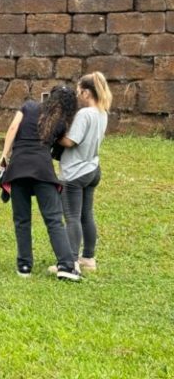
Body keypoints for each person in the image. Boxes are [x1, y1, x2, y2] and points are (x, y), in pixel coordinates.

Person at [0, 85, 80, 281]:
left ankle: (24, 265)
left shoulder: (28, 107)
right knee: (53, 220)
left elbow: (12, 128)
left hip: (17, 169)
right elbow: (63, 144)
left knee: (22, 220)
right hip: (42, 171)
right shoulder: (60, 122)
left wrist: (3, 156)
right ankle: (66, 266)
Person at [57, 72, 112, 273]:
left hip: (75, 173)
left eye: (80, 91)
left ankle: (70, 263)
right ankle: (88, 258)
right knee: (86, 215)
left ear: (87, 92)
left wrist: (53, 133)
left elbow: (70, 141)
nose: (78, 95)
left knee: (71, 217)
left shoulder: (85, 114)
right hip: (92, 168)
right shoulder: (102, 112)